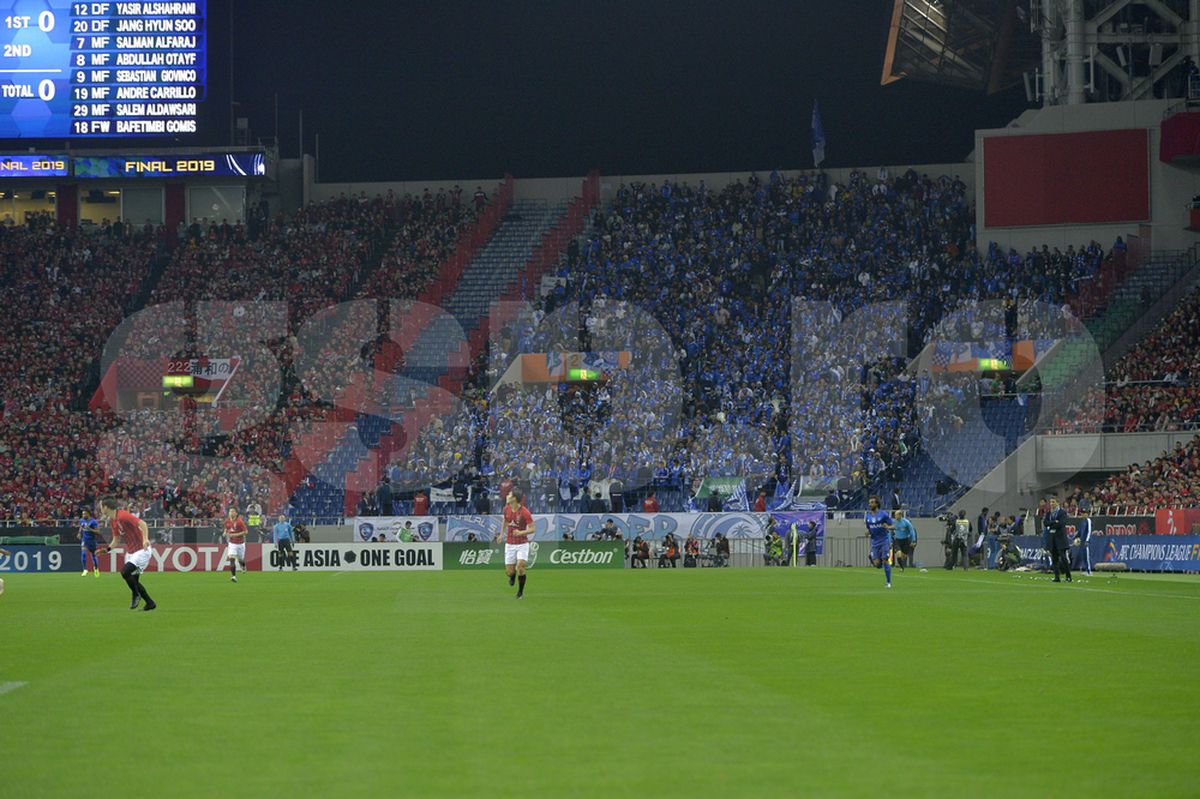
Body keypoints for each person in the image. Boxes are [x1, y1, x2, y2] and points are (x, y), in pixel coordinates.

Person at [98, 498, 156, 611]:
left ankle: (135, 595)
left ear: (106, 507)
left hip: (142, 550)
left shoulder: (123, 515)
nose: (100, 509)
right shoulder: (112, 520)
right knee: (134, 580)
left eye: (101, 506)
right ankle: (150, 603)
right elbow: (116, 539)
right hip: (131, 552)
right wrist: (107, 549)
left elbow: (142, 523)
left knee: (125, 572)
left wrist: (145, 539)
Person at [498, 489, 534, 598]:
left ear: (514, 498)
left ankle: (520, 593)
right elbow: (505, 521)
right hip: (510, 543)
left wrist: (521, 532)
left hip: (522, 543)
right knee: (509, 572)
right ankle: (512, 575)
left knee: (521, 567)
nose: (507, 495)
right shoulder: (506, 509)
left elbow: (532, 529)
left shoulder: (525, 512)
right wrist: (501, 534)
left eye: (509, 494)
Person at [865, 495, 896, 588]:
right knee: (877, 564)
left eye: (872, 502)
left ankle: (888, 582)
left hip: (884, 540)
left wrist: (888, 527)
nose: (870, 504)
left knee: (885, 560)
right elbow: (869, 529)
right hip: (875, 542)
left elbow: (893, 526)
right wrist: (868, 533)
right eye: (869, 502)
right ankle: (873, 558)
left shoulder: (884, 515)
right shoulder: (868, 517)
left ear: (877, 503)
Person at [1044, 497, 1072, 583]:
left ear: (1058, 503)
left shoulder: (1062, 512)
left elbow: (1061, 524)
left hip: (1061, 538)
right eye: (1050, 502)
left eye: (1053, 502)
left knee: (1063, 558)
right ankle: (1057, 577)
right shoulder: (1049, 513)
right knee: (1054, 558)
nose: (1051, 504)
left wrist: (1051, 524)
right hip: (1052, 538)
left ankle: (1068, 576)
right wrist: (1054, 522)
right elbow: (1045, 523)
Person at [222, 507, 249, 583]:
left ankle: (243, 566)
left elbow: (246, 532)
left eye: (233, 511)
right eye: (230, 511)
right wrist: (224, 533)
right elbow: (226, 529)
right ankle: (233, 576)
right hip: (232, 544)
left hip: (240, 544)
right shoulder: (227, 522)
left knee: (241, 560)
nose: (231, 512)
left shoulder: (239, 522)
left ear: (236, 513)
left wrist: (235, 535)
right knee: (231, 559)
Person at [78, 509, 102, 577]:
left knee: (93, 556)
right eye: (83, 514)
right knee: (83, 554)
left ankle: (96, 569)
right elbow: (81, 526)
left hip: (92, 541)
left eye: (85, 514)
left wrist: (90, 529)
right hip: (84, 540)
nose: (83, 515)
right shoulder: (82, 520)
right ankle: (85, 570)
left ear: (88, 514)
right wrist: (79, 533)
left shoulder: (93, 522)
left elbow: (98, 532)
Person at [1072, 509, 1093, 576]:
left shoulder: (1088, 520)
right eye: (1082, 513)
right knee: (1084, 556)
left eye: (1084, 513)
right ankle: (1086, 570)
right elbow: (1080, 532)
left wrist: (1087, 540)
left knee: (1086, 556)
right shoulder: (1082, 522)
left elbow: (1089, 531)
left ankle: (1089, 571)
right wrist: (1074, 537)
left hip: (1085, 541)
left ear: (1087, 514)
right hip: (1082, 541)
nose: (1083, 514)